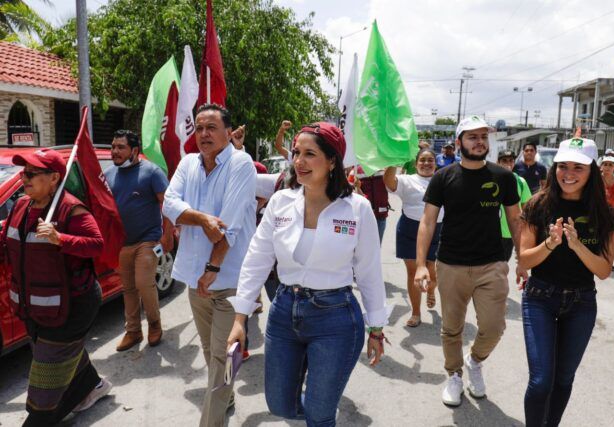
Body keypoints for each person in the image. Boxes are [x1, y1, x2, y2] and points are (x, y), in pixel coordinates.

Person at [227, 122, 388, 426]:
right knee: (280, 405)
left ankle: (321, 410)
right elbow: (257, 259)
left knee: (319, 414)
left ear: (332, 162)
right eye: (296, 152)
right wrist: (240, 318)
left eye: (309, 154)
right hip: (284, 311)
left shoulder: (357, 209)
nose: (299, 161)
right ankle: (319, 405)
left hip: (336, 317)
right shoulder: (280, 202)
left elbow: (369, 271)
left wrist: (376, 329)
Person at [415, 115, 523, 407]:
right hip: (451, 264)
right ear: (459, 141)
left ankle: (474, 361)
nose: (480, 142)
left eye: (483, 137)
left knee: (494, 327)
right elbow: (427, 221)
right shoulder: (443, 177)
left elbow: (515, 220)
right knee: (451, 328)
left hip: (492, 264)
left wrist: (523, 259)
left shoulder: (503, 177)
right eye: (473, 137)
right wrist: (422, 264)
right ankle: (454, 375)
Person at [162, 103, 257, 427]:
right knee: (209, 350)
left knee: (223, 357)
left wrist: (213, 268)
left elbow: (228, 226)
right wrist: (202, 219)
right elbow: (169, 203)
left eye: (211, 127)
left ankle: (211, 421)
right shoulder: (188, 163)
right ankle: (226, 396)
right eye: (199, 128)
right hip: (195, 280)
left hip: (229, 281)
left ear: (228, 133)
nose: (203, 134)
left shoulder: (241, 163)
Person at [1, 149, 111, 425]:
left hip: (71, 306)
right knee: (60, 353)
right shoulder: (21, 206)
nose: (24, 178)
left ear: (54, 178)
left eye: (32, 173)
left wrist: (61, 238)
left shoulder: (71, 209)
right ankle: (93, 385)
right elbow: (6, 243)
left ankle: (40, 418)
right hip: (33, 307)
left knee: (46, 382)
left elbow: (97, 245)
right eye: (23, 172)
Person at [517, 137, 614, 426]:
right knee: (541, 381)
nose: (569, 173)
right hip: (539, 298)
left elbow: (603, 270)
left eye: (578, 167)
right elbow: (525, 260)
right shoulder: (538, 204)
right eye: (563, 166)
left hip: (581, 302)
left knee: (563, 379)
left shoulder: (605, 214)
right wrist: (550, 243)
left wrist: (577, 246)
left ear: (592, 171)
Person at [105, 130, 170, 351]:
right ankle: (133, 331)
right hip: (122, 243)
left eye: (120, 147)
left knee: (144, 283)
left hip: (148, 240)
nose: (115, 151)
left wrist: (167, 235)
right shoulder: (108, 175)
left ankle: (154, 324)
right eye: (113, 146)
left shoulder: (151, 172)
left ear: (134, 150)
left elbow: (167, 205)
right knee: (128, 288)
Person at [383, 148, 443, 327]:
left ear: (436, 163)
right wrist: (394, 160)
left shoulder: (443, 180)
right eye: (422, 160)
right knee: (413, 272)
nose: (426, 163)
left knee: (432, 270)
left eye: (430, 160)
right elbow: (389, 182)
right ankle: (416, 312)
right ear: (416, 164)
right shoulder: (406, 180)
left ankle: (431, 290)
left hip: (437, 230)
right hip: (409, 230)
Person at [497, 149, 532, 260]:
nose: (508, 164)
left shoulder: (521, 182)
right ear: (498, 162)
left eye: (511, 160)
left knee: (503, 265)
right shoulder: (491, 179)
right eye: (504, 160)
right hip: (491, 233)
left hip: (509, 234)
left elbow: (526, 209)